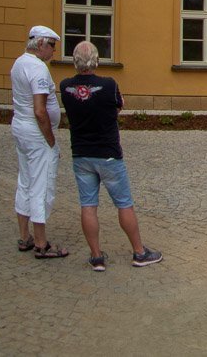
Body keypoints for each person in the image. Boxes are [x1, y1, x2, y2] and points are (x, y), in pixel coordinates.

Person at [60, 41, 163, 270]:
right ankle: (139, 252)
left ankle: (96, 257)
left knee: (88, 205)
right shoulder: (108, 85)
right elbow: (118, 107)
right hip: (108, 154)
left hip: (81, 154)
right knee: (124, 203)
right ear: (96, 60)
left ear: (74, 61)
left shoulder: (65, 87)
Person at [11, 24, 67, 258]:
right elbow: (40, 110)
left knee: (25, 181)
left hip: (20, 128)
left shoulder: (19, 62)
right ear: (41, 44)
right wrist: (51, 140)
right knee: (41, 185)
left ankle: (25, 236)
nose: (53, 51)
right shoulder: (38, 69)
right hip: (36, 134)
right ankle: (41, 243)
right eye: (52, 46)